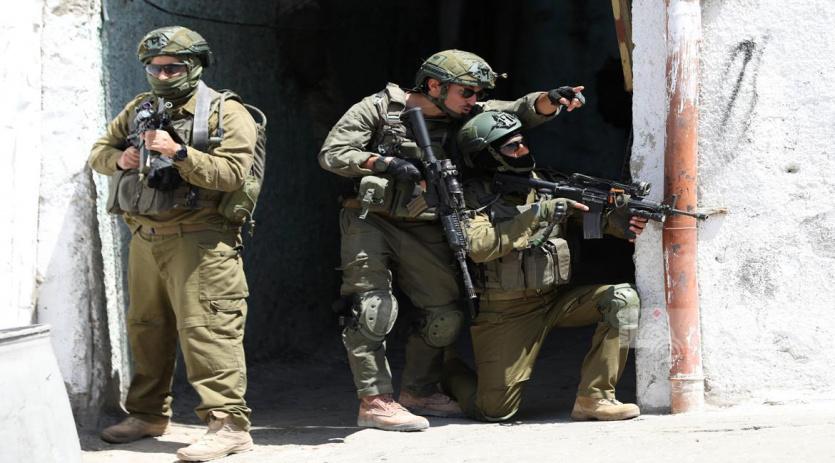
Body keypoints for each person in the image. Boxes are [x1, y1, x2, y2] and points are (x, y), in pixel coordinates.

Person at [318, 49, 584, 431]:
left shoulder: (466, 112)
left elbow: (518, 111)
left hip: (426, 224)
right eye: (468, 92)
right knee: (371, 308)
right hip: (370, 221)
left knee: (444, 316)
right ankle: (374, 401)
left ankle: (418, 391)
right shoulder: (377, 109)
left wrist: (551, 100)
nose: (474, 100)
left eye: (478, 93)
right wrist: (384, 163)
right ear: (434, 85)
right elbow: (332, 154)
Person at [88, 26, 257, 461]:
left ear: (195, 66)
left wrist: (179, 153)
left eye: (173, 68)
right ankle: (147, 415)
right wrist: (120, 158)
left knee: (207, 329)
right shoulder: (140, 108)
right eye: (154, 68)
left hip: (200, 240)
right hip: (145, 237)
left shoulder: (225, 111)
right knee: (146, 327)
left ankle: (229, 424)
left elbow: (233, 174)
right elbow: (98, 152)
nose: (162, 76)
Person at [442, 110, 647, 423]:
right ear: (487, 155)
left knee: (622, 299)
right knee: (495, 410)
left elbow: (593, 218)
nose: (523, 150)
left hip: (555, 299)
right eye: (512, 147)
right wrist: (539, 212)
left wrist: (625, 221)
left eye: (522, 142)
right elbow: (479, 247)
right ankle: (449, 370)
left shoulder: (543, 184)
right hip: (506, 310)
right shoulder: (471, 197)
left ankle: (595, 398)